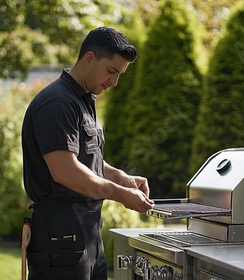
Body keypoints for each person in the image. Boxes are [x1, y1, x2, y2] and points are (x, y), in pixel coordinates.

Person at [21, 26, 155, 279]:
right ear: (89, 59)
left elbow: (88, 160)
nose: (114, 82)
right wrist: (121, 194)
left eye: (120, 75)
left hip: (87, 231)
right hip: (59, 234)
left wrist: (121, 177)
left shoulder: (82, 99)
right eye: (111, 71)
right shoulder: (57, 103)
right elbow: (65, 170)